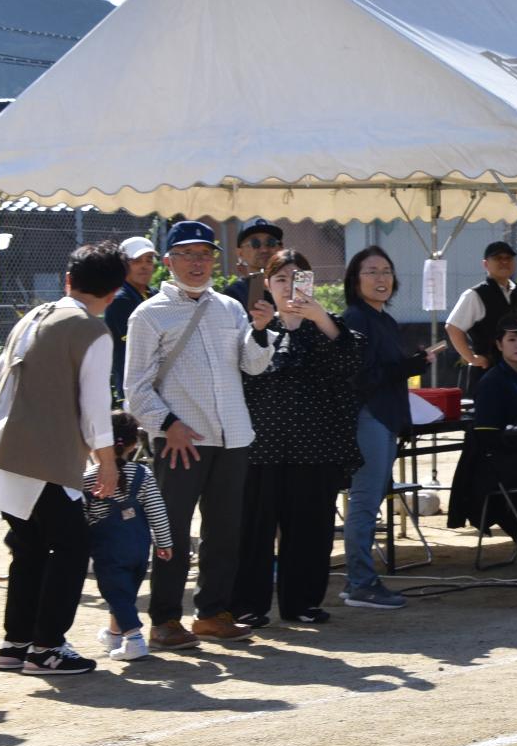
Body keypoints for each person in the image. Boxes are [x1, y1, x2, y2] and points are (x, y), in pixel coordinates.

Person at [0, 241, 126, 678]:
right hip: (41, 457)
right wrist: (108, 462)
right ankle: (46, 648)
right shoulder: (93, 330)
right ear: (114, 292)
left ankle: (17, 643)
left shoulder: (34, 316)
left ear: (68, 280)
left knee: (31, 548)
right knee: (72, 547)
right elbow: (97, 407)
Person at [123, 220, 275, 648]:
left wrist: (261, 330)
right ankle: (165, 619)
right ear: (167, 262)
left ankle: (213, 613)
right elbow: (134, 388)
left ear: (215, 260)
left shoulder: (229, 307)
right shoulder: (148, 314)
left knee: (225, 531)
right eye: (187, 254)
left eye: (205, 254)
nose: (197, 263)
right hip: (180, 439)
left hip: (233, 435)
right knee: (171, 529)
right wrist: (167, 425)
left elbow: (253, 365)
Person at [233, 251, 363, 627]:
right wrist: (258, 329)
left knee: (310, 529)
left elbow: (351, 363)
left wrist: (318, 314)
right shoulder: (252, 326)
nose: (289, 286)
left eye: (298, 278)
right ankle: (248, 604)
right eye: (280, 280)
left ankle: (302, 602)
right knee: (254, 529)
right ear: (267, 286)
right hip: (260, 447)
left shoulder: (326, 327)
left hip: (316, 446)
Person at [341, 246, 440, 611]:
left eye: (386, 270)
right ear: (355, 279)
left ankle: (360, 579)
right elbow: (362, 377)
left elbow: (387, 370)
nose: (381, 278)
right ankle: (360, 583)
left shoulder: (383, 319)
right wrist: (408, 366)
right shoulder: (356, 318)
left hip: (385, 417)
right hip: (369, 416)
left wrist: (411, 364)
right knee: (365, 502)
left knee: (368, 501)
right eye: (372, 271)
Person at [82, 410, 174, 662]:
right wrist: (164, 542)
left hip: (109, 550)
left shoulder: (90, 478)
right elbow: (157, 509)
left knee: (116, 593)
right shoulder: (144, 474)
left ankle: (134, 640)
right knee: (126, 593)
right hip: (139, 546)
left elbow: (83, 517)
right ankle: (114, 634)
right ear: (134, 444)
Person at [448, 318, 517, 538]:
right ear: (499, 345)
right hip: (501, 461)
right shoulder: (493, 381)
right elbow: (486, 435)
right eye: (512, 339)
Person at [446, 240, 517, 389]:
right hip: (487, 373)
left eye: (508, 258)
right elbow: (453, 327)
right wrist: (471, 358)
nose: (504, 262)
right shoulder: (475, 294)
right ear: (486, 264)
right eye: (498, 258)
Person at [104, 236, 157, 403]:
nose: (144, 266)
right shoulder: (119, 300)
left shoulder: (155, 295)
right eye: (136, 261)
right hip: (134, 391)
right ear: (123, 265)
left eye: (149, 260)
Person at [220, 217, 283, 311]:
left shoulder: (290, 289)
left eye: (271, 242)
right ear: (240, 253)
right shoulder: (234, 294)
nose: (264, 250)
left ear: (281, 249)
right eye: (255, 243)